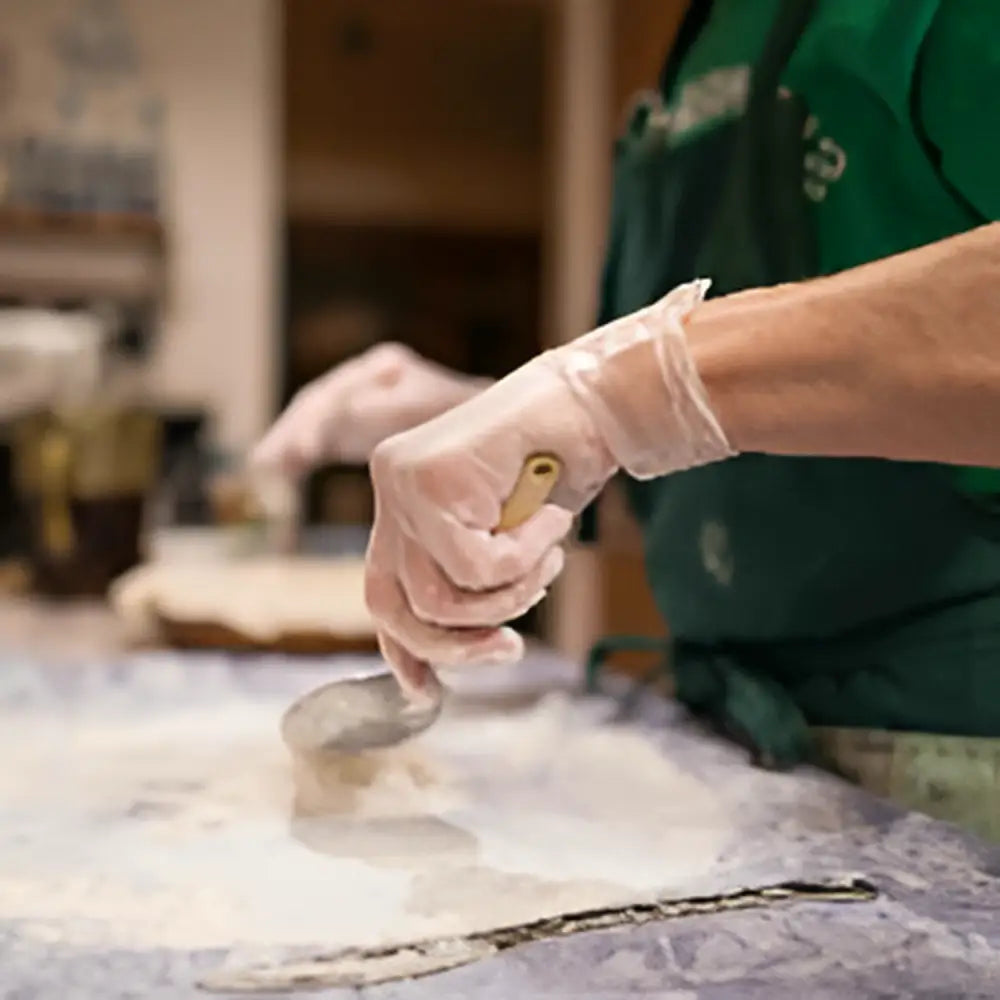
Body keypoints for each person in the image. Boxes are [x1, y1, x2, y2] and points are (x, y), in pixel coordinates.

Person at [256, 2, 1000, 838]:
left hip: (961, 759)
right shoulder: (706, 37)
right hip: (736, 752)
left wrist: (622, 394)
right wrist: (533, 438)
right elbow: (733, 487)